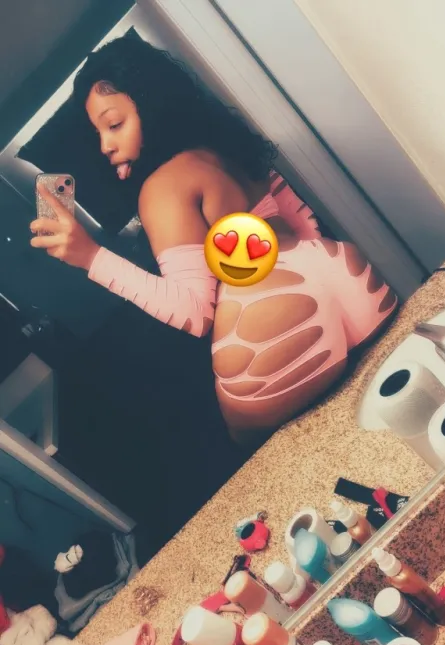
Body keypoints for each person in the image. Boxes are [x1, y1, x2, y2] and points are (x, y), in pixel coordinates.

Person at [30, 36, 397, 447]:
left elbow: (194, 312)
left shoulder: (163, 187)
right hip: (339, 270)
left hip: (271, 315)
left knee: (269, 455)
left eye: (114, 125)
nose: (106, 145)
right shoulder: (224, 147)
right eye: (99, 132)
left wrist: (90, 257)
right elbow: (299, 219)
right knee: (397, 403)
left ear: (153, 104)